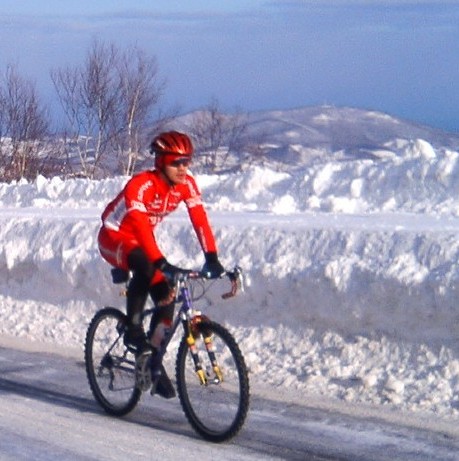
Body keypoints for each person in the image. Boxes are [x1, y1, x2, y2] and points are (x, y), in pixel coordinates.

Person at [97, 130, 224, 398]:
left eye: (186, 161)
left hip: (142, 241)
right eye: (175, 162)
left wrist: (211, 256)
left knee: (167, 293)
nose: (182, 168)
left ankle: (151, 359)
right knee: (146, 265)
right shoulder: (141, 185)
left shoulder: (186, 184)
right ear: (160, 162)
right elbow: (141, 229)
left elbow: (199, 218)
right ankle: (133, 331)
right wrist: (159, 261)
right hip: (114, 236)